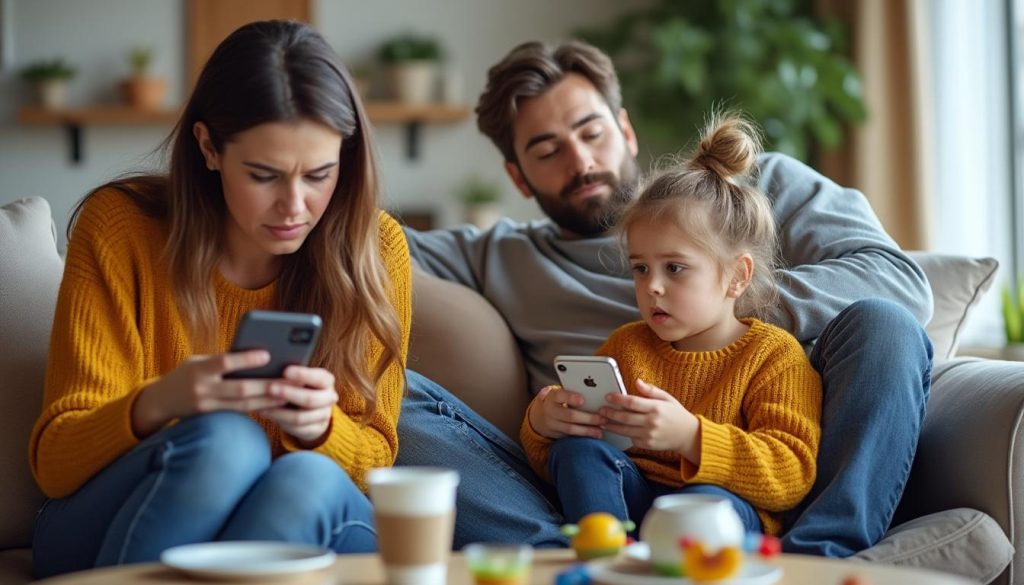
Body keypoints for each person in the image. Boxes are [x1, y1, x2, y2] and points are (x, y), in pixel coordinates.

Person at [397, 39, 933, 557]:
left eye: (592, 131)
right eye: (547, 149)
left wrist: (720, 314)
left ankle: (816, 556)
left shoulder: (752, 188)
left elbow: (901, 283)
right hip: (597, 494)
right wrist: (542, 423)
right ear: (517, 175)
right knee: (393, 396)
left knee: (885, 324)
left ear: (625, 129)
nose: (580, 160)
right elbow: (367, 244)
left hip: (753, 478)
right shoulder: (499, 254)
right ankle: (583, 557)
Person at [28, 20, 411, 578]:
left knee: (304, 478)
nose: (294, 206)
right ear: (208, 147)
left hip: (296, 510)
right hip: (113, 512)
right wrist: (164, 400)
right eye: (264, 175)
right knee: (227, 442)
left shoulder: (375, 249)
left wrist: (320, 429)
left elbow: (379, 456)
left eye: (320, 175)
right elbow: (54, 464)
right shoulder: (121, 230)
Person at [522, 114, 822, 537]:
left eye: (675, 268)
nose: (653, 287)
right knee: (578, 452)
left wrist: (691, 437)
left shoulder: (773, 356)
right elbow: (557, 464)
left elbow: (791, 474)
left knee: (701, 504)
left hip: (717, 513)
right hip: (628, 506)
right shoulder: (625, 347)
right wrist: (542, 423)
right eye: (641, 268)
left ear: (737, 276)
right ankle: (608, 560)